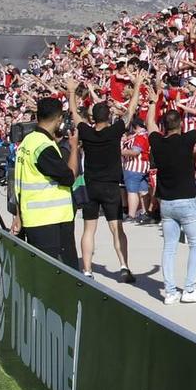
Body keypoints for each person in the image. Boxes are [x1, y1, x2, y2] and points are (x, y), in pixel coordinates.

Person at [144, 82, 196, 303]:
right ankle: (189, 290)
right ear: (181, 125)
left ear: (164, 126)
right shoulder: (187, 139)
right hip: (187, 201)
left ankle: (170, 292)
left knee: (169, 247)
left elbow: (149, 122)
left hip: (167, 204)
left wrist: (153, 102)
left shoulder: (157, 142)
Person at [11, 93, 83, 269]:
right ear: (59, 119)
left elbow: (19, 183)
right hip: (51, 221)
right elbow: (69, 177)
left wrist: (18, 215)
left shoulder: (28, 141)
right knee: (61, 274)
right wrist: (74, 148)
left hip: (34, 218)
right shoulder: (43, 147)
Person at [76, 95, 138, 283]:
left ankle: (87, 269)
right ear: (108, 116)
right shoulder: (115, 131)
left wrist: (72, 94)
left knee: (88, 229)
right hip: (110, 186)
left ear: (93, 118)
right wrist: (136, 86)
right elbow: (130, 111)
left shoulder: (86, 132)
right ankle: (124, 266)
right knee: (116, 228)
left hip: (91, 186)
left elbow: (75, 114)